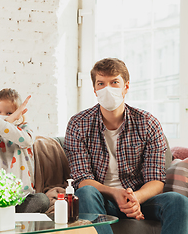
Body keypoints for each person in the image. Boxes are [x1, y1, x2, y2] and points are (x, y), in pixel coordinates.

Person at [63, 58, 188, 233]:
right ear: (95, 90)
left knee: (178, 201)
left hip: (139, 200)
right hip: (101, 200)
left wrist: (135, 198)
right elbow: (82, 179)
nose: (107, 89)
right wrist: (115, 193)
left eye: (114, 82)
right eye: (101, 83)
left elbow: (156, 180)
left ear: (126, 87)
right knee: (86, 193)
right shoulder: (78, 124)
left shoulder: (148, 123)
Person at [0, 88, 49, 213]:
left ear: (19, 114)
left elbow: (26, 141)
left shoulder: (25, 129)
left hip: (22, 196)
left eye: (9, 113)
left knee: (42, 200)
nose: (3, 117)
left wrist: (3, 123)